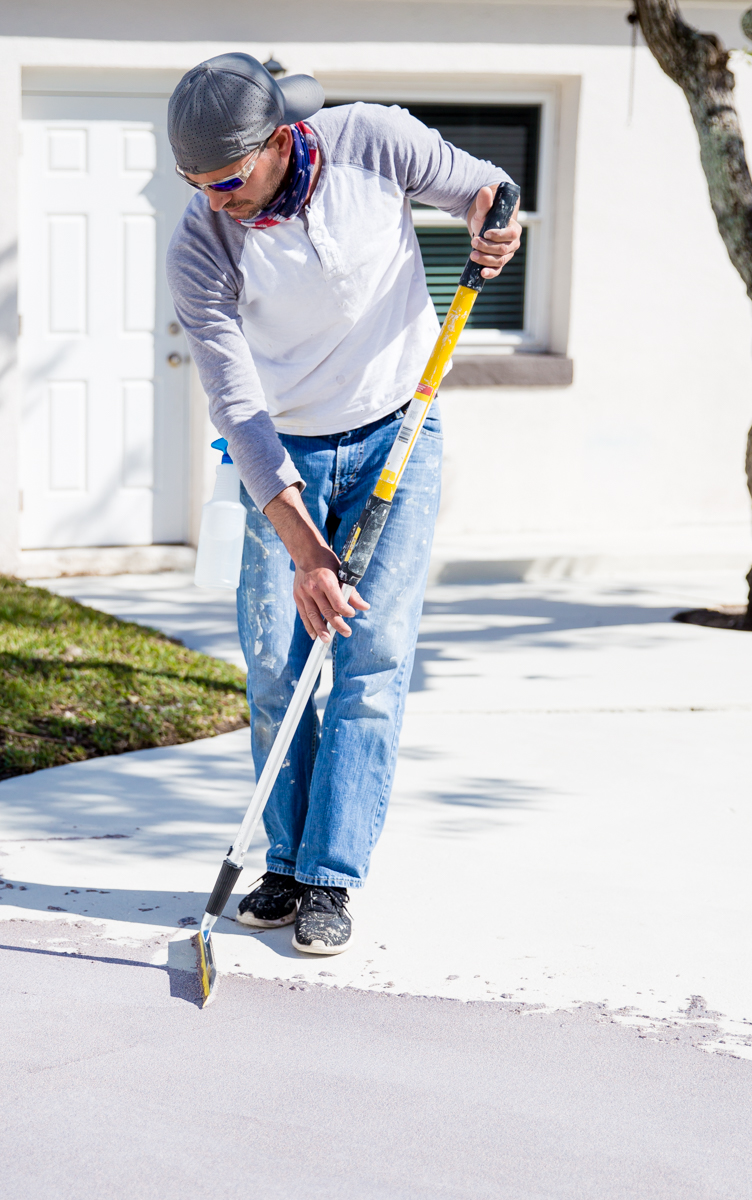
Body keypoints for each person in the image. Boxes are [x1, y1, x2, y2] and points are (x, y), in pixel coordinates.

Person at [166, 53, 521, 955]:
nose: (214, 198)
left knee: (369, 659)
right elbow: (236, 405)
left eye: (227, 180)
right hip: (279, 453)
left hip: (396, 430)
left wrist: (493, 220)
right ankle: (283, 861)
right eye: (194, 183)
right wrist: (304, 550)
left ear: (280, 139)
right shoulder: (201, 245)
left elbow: (485, 188)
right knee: (278, 665)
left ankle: (330, 876)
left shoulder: (374, 139)